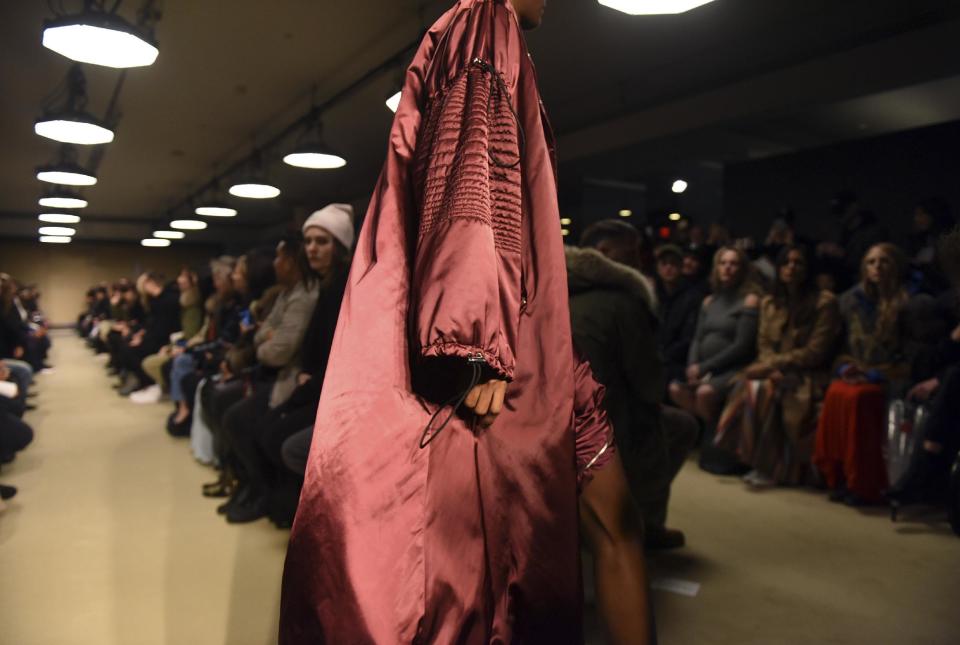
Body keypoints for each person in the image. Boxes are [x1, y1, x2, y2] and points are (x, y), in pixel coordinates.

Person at [281, 1, 653, 643]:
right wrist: (478, 341)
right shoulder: (485, 21)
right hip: (502, 349)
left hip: (526, 336)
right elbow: (473, 166)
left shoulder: (466, 32)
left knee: (600, 523)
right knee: (487, 565)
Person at [226, 204, 353, 525]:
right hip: (308, 381)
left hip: (331, 389)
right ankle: (268, 498)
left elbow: (326, 352)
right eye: (308, 241)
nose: (312, 248)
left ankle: (287, 509)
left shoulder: (343, 289)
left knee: (271, 432)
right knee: (255, 423)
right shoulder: (320, 287)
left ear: (340, 246)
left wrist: (307, 379)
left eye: (322, 241)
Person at [567, 243, 695, 551]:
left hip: (535, 418)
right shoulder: (623, 302)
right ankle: (645, 524)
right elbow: (649, 384)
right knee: (677, 425)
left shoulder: (545, 286)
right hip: (597, 426)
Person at [715, 245, 841, 486]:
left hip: (808, 373)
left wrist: (773, 365)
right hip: (772, 369)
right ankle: (755, 461)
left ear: (808, 268)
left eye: (798, 263)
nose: (791, 268)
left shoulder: (825, 302)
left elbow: (816, 352)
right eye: (786, 263)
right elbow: (763, 344)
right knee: (750, 386)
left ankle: (772, 467)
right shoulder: (770, 302)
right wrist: (770, 367)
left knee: (762, 388)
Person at [813, 243, 911, 505]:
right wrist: (846, 368)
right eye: (871, 262)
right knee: (837, 392)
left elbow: (912, 355)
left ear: (896, 266)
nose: (877, 267)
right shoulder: (848, 301)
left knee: (860, 398)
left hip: (892, 375)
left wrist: (875, 375)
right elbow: (837, 349)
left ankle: (864, 483)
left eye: (884, 261)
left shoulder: (907, 302)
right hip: (854, 370)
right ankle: (840, 477)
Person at [670, 247, 760, 426]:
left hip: (732, 368)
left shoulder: (750, 300)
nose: (727, 268)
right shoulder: (709, 301)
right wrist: (693, 366)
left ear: (742, 269)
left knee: (705, 394)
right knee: (675, 389)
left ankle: (715, 436)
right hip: (705, 369)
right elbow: (697, 338)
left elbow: (742, 346)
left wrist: (705, 366)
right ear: (716, 268)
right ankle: (709, 430)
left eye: (733, 264)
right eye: (723, 263)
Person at [654, 244, 705, 387]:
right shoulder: (654, 296)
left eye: (673, 264)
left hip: (679, 362)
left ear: (681, 267)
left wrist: (660, 356)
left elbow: (688, 338)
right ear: (658, 268)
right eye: (664, 263)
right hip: (656, 357)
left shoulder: (693, 297)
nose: (668, 268)